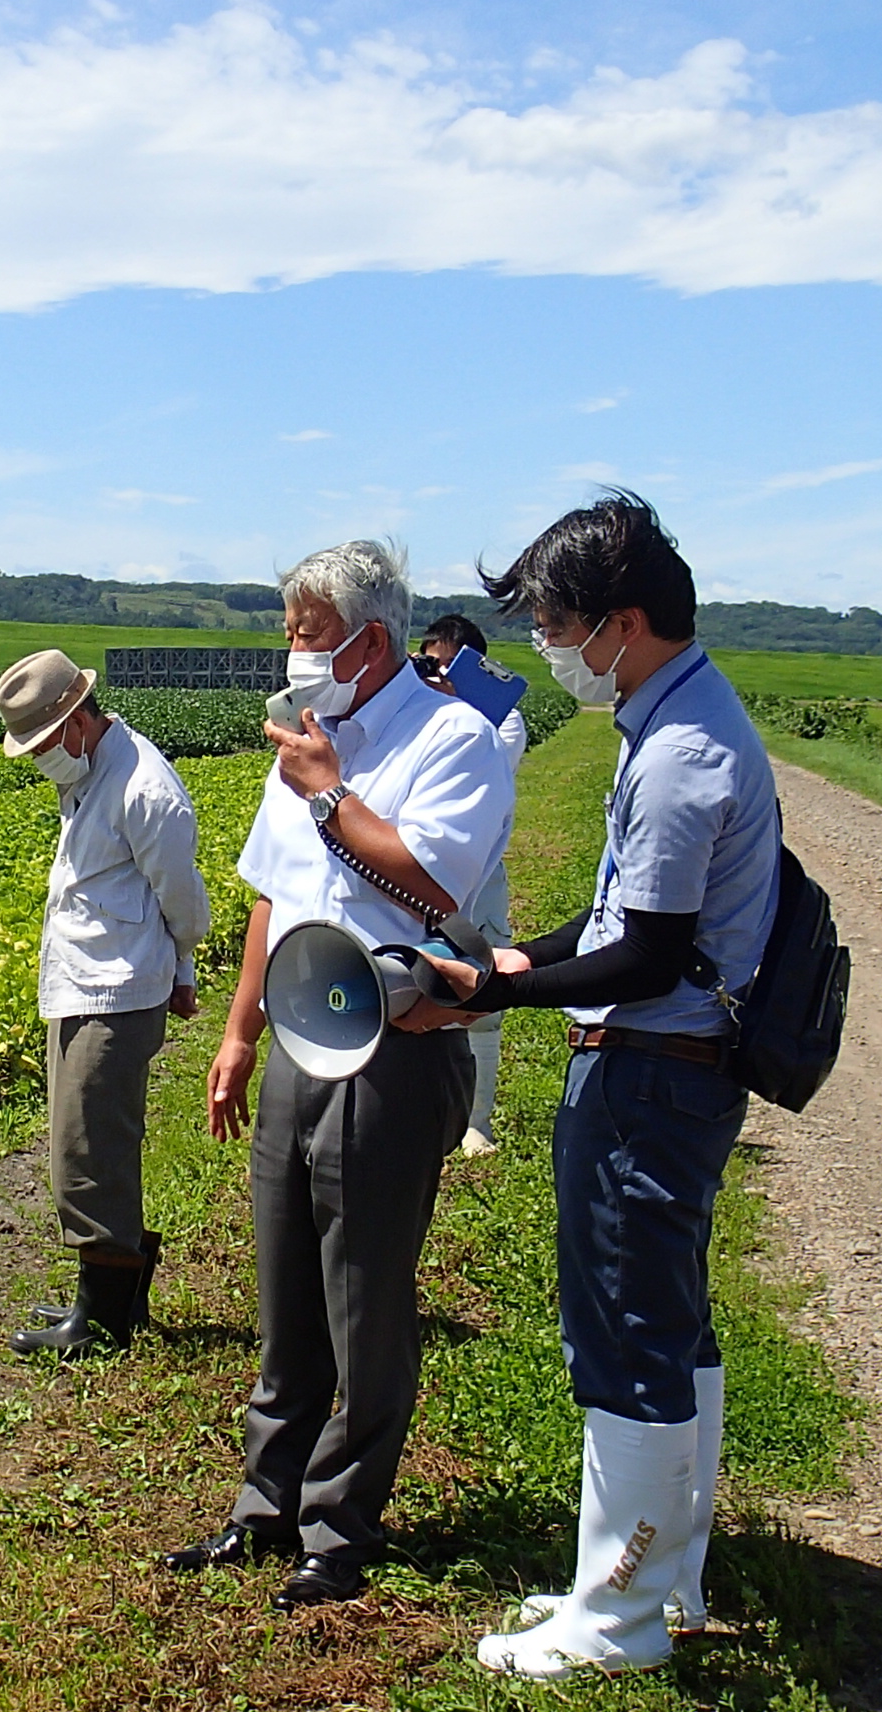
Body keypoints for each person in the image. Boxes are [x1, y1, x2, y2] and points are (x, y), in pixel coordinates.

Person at [400, 490, 781, 1679]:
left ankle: (615, 1620)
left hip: (649, 1075)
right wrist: (510, 961)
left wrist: (487, 995)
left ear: (620, 619)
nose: (544, 645)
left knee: (623, 1333)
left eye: (556, 620)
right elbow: (619, 916)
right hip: (672, 1068)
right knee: (666, 1324)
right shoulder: (674, 717)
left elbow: (651, 952)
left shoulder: (677, 755)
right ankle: (659, 1582)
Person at [156, 540, 515, 1610]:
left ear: (368, 641)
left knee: (361, 1298)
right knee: (284, 1289)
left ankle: (339, 1527)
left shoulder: (454, 741)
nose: (293, 655)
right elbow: (274, 895)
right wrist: (236, 1034)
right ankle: (261, 1508)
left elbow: (433, 881)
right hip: (297, 1043)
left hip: (392, 1050)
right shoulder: (303, 741)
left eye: (308, 638)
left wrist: (328, 796)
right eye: (288, 635)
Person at [0, 650, 210, 1360]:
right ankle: (111, 1292)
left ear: (79, 720)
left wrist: (181, 966)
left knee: (92, 1148)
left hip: (118, 990)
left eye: (46, 743)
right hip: (83, 981)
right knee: (78, 1142)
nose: (43, 759)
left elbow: (183, 899)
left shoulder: (145, 789)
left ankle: (105, 1315)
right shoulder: (91, 773)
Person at [416, 611, 528, 1156]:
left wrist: (454, 699)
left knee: (482, 999)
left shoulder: (501, 723)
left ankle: (475, 1122)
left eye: (444, 664)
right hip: (418, 878)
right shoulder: (416, 716)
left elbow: (479, 762)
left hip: (479, 881)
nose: (433, 675)